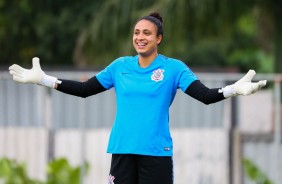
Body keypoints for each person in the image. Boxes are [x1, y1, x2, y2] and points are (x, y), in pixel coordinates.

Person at [9, 12, 266, 184]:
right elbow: (85, 90)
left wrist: (233, 89)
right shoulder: (120, 66)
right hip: (122, 150)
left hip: (156, 152)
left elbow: (206, 96)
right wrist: (43, 79)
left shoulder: (174, 68)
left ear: (159, 38)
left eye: (146, 33)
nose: (140, 37)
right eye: (136, 32)